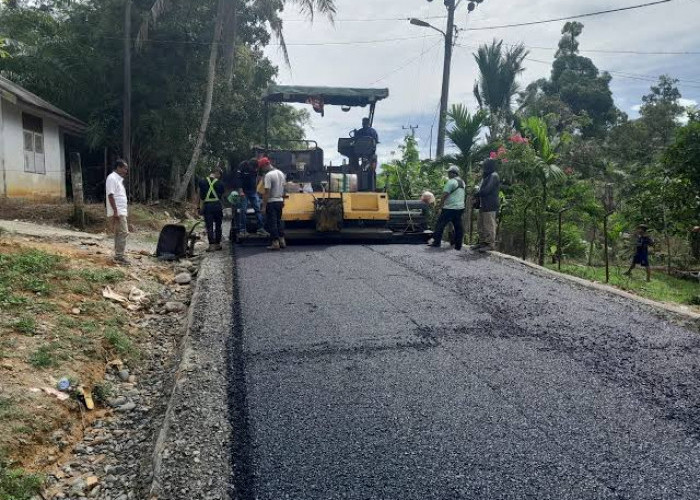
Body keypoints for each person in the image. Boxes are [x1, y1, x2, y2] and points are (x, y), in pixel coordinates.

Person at [428, 165, 465, 251]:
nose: (448, 174)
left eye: (449, 172)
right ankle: (458, 244)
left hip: (449, 208)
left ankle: (436, 242)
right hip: (460, 208)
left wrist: (440, 205)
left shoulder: (451, 182)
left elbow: (445, 194)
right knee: (458, 226)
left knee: (440, 225)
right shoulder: (462, 182)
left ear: (453, 173)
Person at [472, 159, 501, 252]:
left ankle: (490, 244)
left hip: (490, 205)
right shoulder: (486, 176)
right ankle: (482, 242)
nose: (482, 168)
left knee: (489, 225)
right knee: (481, 225)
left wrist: (477, 193)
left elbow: (487, 190)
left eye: (484, 166)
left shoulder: (494, 175)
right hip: (483, 205)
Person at [259, 157, 287, 251]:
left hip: (272, 201)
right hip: (280, 200)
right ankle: (282, 241)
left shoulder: (268, 175)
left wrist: (263, 206)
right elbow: (284, 189)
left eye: (261, 167)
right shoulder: (281, 173)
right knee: (279, 221)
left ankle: (275, 243)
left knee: (272, 222)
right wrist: (283, 200)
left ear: (265, 165)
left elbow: (266, 192)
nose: (262, 169)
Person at [106, 159, 129, 265]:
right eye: (124, 168)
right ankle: (119, 257)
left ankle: (118, 255)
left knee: (119, 233)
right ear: (118, 168)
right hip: (118, 211)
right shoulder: (112, 178)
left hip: (120, 211)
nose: (126, 171)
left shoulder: (118, 179)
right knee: (123, 232)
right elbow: (110, 195)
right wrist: (115, 211)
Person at [235, 159, 267, 237]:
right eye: (254, 169)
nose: (255, 170)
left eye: (257, 169)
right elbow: (238, 179)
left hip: (253, 191)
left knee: (258, 209)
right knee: (243, 210)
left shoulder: (257, 167)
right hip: (244, 191)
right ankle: (243, 230)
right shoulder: (242, 165)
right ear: (250, 166)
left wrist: (258, 188)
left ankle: (261, 229)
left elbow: (260, 177)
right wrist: (240, 191)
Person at [197, 167, 225, 252]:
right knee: (218, 225)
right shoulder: (220, 183)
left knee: (209, 226)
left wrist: (199, 207)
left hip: (207, 206)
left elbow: (200, 196)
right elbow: (222, 196)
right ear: (217, 173)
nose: (220, 176)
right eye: (220, 174)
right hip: (217, 205)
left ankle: (211, 245)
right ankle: (218, 244)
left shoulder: (202, 182)